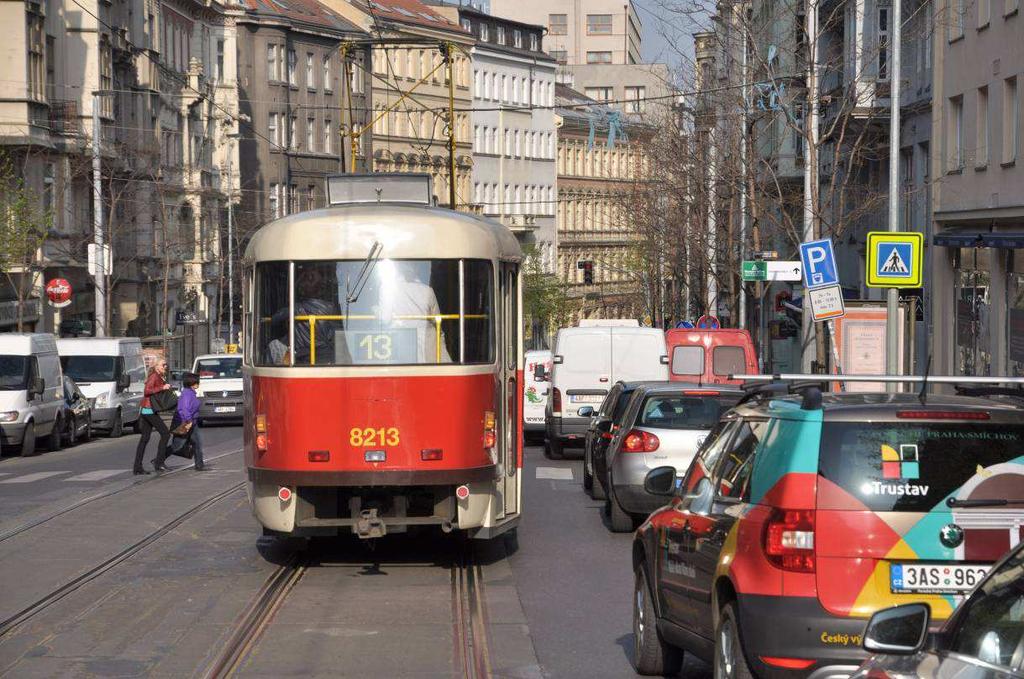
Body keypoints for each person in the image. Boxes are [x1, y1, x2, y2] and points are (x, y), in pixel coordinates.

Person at [134, 358, 172, 474]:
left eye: (166, 365)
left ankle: (137, 467)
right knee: (165, 433)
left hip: (148, 410)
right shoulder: (154, 376)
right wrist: (162, 387)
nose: (165, 366)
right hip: (148, 410)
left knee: (144, 439)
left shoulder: (159, 376)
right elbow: (147, 391)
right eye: (163, 365)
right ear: (156, 367)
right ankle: (159, 462)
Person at [170, 372, 206, 471]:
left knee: (197, 443)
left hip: (192, 423)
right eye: (197, 382)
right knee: (177, 445)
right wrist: (189, 421)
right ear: (192, 383)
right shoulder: (187, 394)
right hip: (185, 423)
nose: (198, 384)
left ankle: (199, 465)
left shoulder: (191, 393)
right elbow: (184, 409)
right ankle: (159, 459)